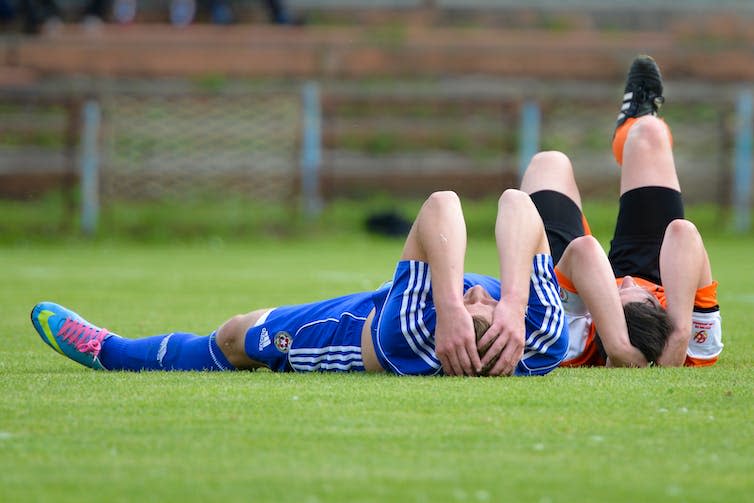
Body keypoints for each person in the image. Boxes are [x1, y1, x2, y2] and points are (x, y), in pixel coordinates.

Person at [30, 189, 569, 377]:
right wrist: (513, 304)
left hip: (358, 329)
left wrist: (448, 306)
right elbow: (518, 204)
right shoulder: (541, 337)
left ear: (447, 340)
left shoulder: (414, 333)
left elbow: (442, 205)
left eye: (478, 306)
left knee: (237, 338)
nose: (483, 293)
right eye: (484, 304)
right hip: (433, 299)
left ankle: (111, 351)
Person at [520, 55, 722, 368]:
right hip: (654, 271)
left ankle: (607, 309)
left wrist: (618, 346)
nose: (625, 280)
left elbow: (583, 250)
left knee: (548, 163)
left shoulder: (570, 343)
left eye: (618, 297)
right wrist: (680, 332)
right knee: (648, 132)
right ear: (659, 306)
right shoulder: (698, 348)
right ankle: (632, 121)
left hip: (581, 296)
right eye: (639, 294)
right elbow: (683, 233)